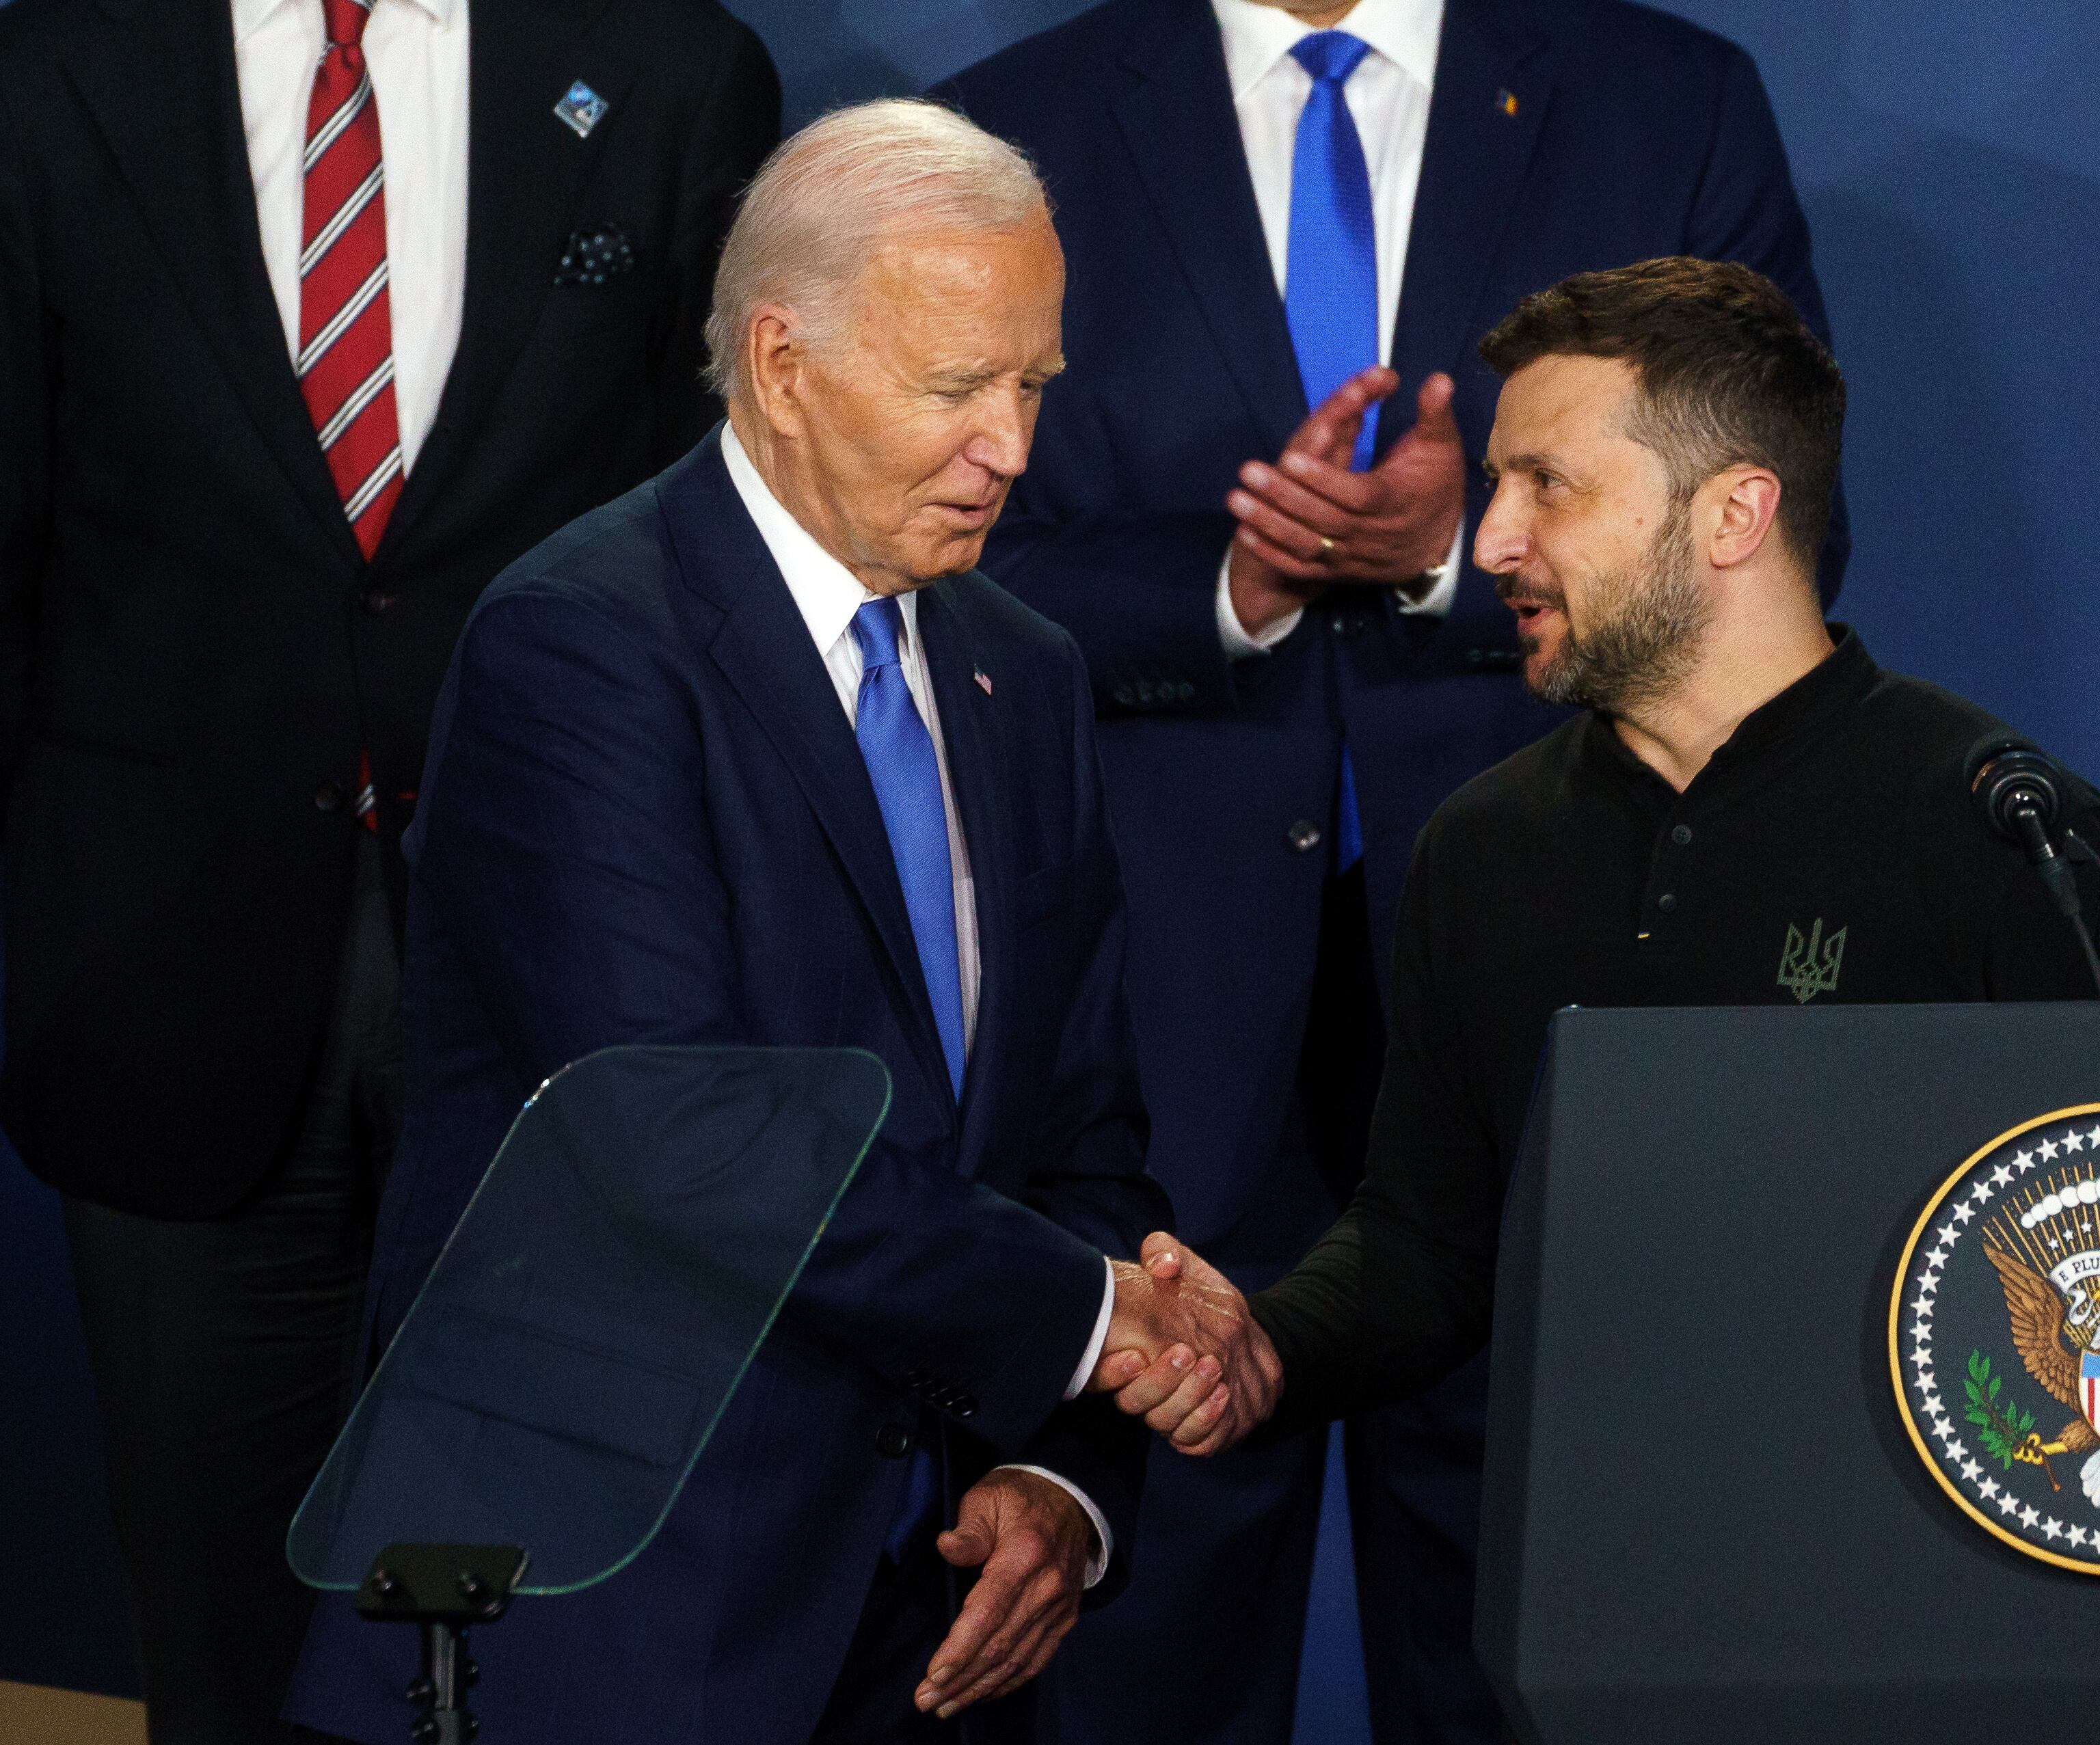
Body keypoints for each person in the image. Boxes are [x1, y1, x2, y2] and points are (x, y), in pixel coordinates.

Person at [278, 100, 1274, 1745]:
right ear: (783, 365)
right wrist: (1103, 1321)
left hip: (930, 1628)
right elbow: (680, 1137)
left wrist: (1058, 1471)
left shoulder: (1020, 672)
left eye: (1033, 385)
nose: (1012, 448)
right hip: (626, 1626)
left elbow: (1081, 1130)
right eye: (956, 387)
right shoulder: (581, 647)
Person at [932, 3, 1843, 1738]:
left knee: (1537, 1638)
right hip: (1149, 1025)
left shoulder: (1663, 108)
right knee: (1146, 1638)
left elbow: (1778, 536)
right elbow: (927, 550)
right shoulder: (1005, 126)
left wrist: (1460, 550)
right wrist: (1228, 586)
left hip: (1552, 1002)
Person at [1114, 254, 2100, 1578]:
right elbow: (1428, 1240)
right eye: (1498, 484)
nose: (1490, 541)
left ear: (1734, 512)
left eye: (1546, 485)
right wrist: (1269, 1345)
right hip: (1591, 1597)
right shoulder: (1481, 847)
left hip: (1942, 1595)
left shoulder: (2005, 830)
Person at [0, 1, 778, 1735]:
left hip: (564, 977)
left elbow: (722, 551)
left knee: (544, 1622)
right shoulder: (53, 74)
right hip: (161, 982)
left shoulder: (670, 68)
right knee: (221, 1627)